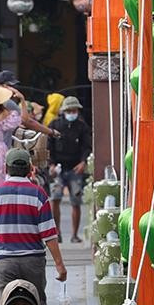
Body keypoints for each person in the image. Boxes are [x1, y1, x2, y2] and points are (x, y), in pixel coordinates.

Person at [0, 147, 66, 305]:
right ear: (30, 169)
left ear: (6, 168)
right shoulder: (38, 194)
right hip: (33, 261)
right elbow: (49, 234)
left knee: (4, 303)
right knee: (38, 304)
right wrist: (60, 265)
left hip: (4, 262)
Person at [47, 96, 91, 244]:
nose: (72, 113)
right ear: (64, 111)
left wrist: (83, 162)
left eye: (74, 110)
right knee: (55, 199)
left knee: (76, 201)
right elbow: (48, 147)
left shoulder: (82, 127)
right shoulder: (54, 125)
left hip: (75, 168)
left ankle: (74, 234)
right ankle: (56, 232)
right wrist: (51, 164)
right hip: (58, 167)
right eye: (69, 110)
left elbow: (87, 146)